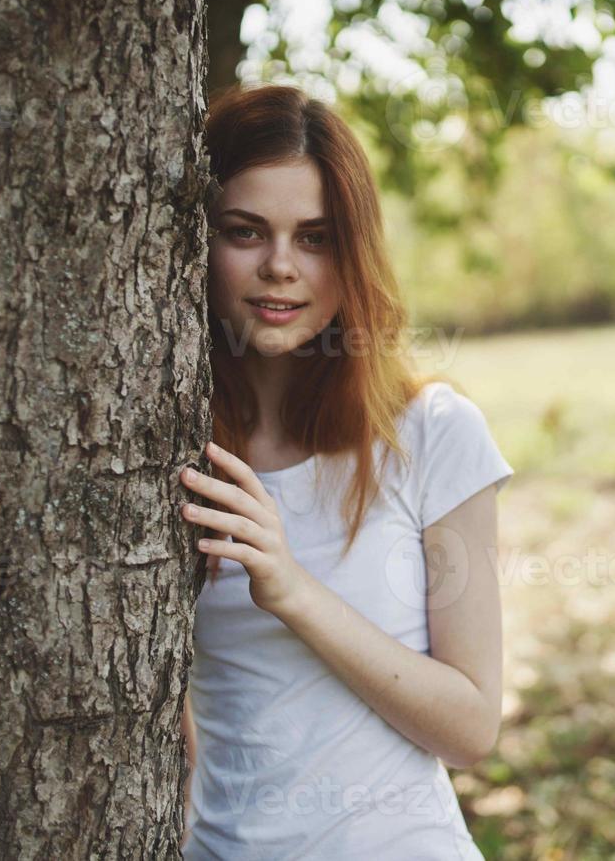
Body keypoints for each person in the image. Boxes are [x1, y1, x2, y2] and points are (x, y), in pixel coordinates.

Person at [177, 83, 514, 859]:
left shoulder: (430, 435)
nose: (280, 267)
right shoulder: (164, 456)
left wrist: (293, 590)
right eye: (244, 231)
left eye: (316, 237)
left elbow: (470, 727)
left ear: (352, 252)